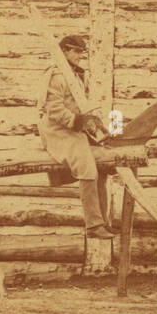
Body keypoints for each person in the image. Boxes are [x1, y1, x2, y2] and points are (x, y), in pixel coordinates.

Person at [39, 34, 114, 240]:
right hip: (58, 131)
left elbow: (82, 106)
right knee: (87, 167)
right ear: (64, 51)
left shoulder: (75, 75)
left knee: (103, 166)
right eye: (77, 51)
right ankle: (93, 225)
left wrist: (95, 124)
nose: (80, 56)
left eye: (81, 52)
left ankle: (103, 221)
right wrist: (79, 122)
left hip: (75, 128)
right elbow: (54, 111)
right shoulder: (56, 76)